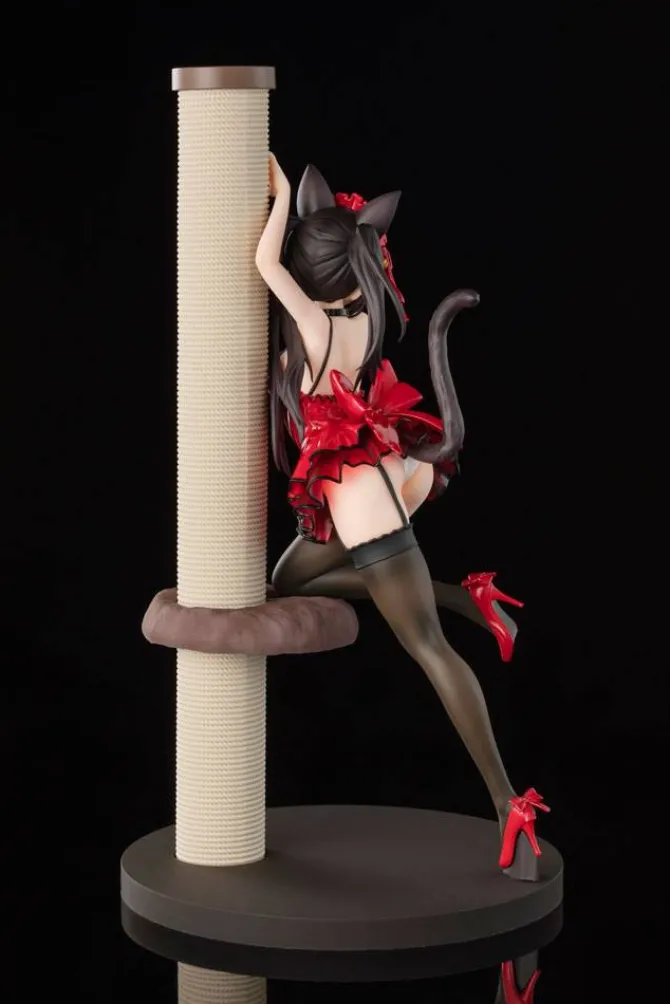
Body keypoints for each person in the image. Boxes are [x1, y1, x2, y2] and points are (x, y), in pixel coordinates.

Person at [256, 155, 549, 879]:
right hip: (371, 477)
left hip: (367, 506)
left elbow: (265, 263)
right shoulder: (358, 317)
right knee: (288, 580)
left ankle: (508, 801)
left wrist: (284, 196)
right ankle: (467, 597)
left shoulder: (313, 324)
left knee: (427, 649)